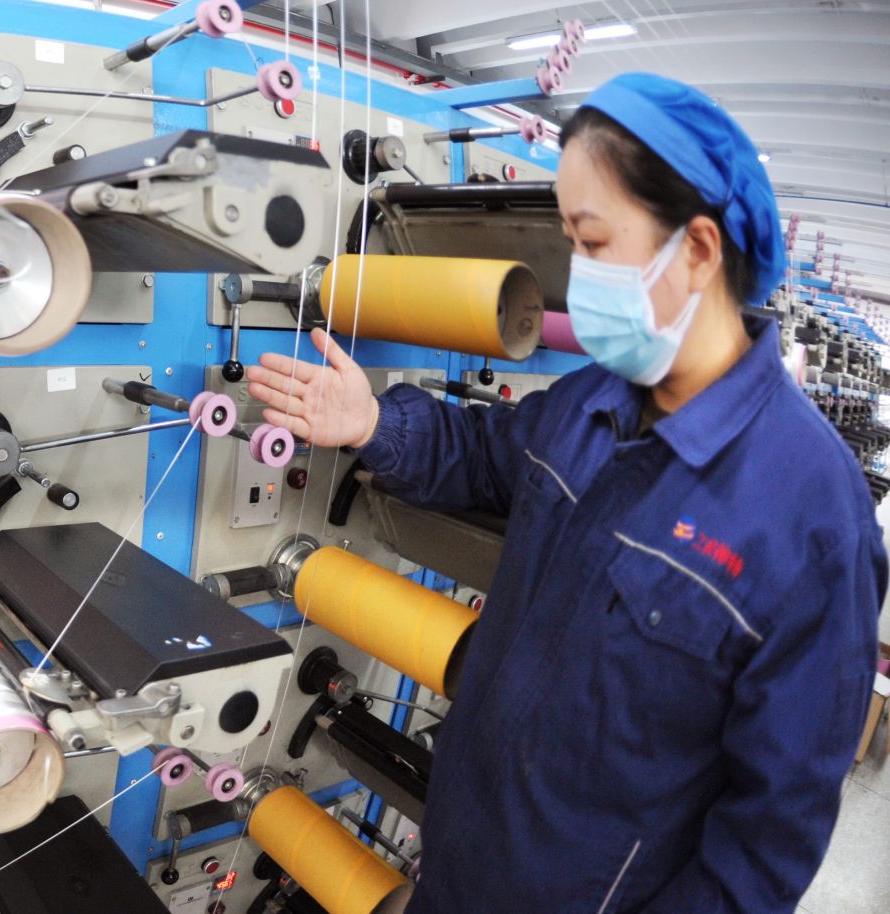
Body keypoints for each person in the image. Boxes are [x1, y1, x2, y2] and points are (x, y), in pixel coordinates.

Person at [248, 72, 885, 913]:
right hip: (456, 865)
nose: (577, 276)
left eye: (592, 243)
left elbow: (764, 847)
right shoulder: (597, 398)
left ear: (696, 251)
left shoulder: (813, 521)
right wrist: (372, 423)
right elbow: (481, 458)